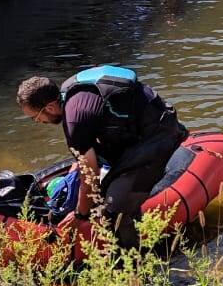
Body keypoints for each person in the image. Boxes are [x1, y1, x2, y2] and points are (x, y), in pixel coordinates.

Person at [17, 66, 187, 249]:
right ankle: (137, 226)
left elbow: (90, 175)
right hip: (154, 117)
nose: (38, 122)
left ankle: (134, 259)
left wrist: (80, 214)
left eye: (35, 117)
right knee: (108, 185)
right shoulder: (71, 92)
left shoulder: (74, 122)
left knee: (113, 211)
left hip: (158, 137)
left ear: (50, 107)